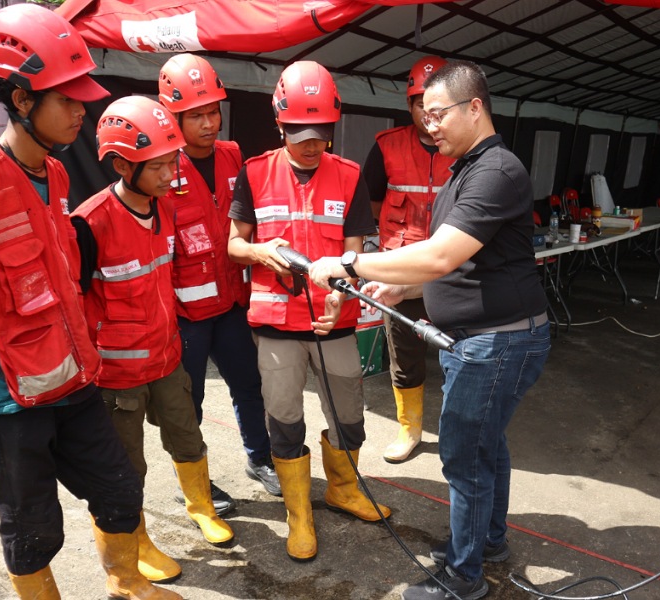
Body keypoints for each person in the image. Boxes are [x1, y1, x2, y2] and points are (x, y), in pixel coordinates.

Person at [0, 5, 180, 599]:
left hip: (70, 378)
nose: (81, 111)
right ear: (20, 99)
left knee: (118, 490)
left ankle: (125, 584)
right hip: (4, 400)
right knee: (33, 528)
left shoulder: (58, 176)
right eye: (66, 99)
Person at [308, 60, 550, 600]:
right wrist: (402, 290)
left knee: (465, 456)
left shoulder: (496, 171)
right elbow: (461, 264)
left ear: (474, 108)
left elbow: (440, 256)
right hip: (486, 337)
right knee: (487, 447)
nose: (428, 123)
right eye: (422, 111)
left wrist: (349, 266)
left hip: (498, 342)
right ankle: (487, 542)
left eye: (438, 113)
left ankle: (464, 578)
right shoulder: (466, 169)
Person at [227, 61, 392, 563]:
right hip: (277, 327)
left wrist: (343, 289)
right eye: (300, 134)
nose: (311, 144)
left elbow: (353, 253)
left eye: (321, 133)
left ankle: (342, 489)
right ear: (279, 124)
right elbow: (234, 245)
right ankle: (299, 512)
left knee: (349, 417)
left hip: (333, 323)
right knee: (284, 418)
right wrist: (259, 252)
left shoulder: (349, 176)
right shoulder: (254, 173)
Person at [71, 96, 236, 584]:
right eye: (160, 166)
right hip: (118, 375)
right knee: (127, 468)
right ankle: (136, 540)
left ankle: (200, 506)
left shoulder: (162, 210)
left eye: (173, 162)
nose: (171, 175)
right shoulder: (89, 225)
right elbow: (75, 306)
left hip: (167, 361)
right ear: (122, 164)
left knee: (188, 438)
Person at [157, 53, 280, 504]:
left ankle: (260, 457)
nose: (210, 123)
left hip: (231, 303)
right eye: (196, 115)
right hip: (187, 314)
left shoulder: (233, 156)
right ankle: (196, 485)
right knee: (187, 404)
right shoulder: (160, 168)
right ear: (173, 116)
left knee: (250, 385)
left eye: (213, 111)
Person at [362, 55, 455, 463]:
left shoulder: (467, 149)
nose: (428, 113)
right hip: (400, 270)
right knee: (404, 353)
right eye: (420, 103)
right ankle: (409, 430)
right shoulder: (386, 147)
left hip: (453, 270)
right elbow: (374, 201)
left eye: (436, 104)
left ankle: (456, 430)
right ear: (409, 105)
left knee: (460, 352)